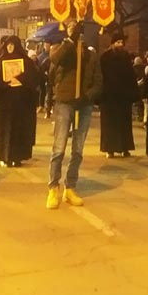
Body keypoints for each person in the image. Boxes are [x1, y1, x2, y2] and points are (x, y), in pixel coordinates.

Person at [46, 20, 102, 209]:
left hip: (83, 105)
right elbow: (55, 60)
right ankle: (53, 187)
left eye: (77, 30)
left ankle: (70, 187)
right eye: (71, 29)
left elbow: (98, 82)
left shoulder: (91, 55)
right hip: (64, 103)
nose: (76, 33)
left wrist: (87, 97)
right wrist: (70, 41)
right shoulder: (61, 48)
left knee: (77, 150)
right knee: (59, 148)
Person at [0, 36, 38, 167]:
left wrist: (21, 79)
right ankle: (4, 156)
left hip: (21, 103)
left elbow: (33, 79)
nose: (10, 47)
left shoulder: (26, 62)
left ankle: (18, 157)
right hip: (3, 103)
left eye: (13, 45)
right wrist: (4, 84)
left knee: (19, 130)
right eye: (8, 45)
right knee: (4, 130)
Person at [99, 32, 138, 158]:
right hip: (109, 97)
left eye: (122, 42)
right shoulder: (105, 57)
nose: (120, 45)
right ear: (112, 43)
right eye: (118, 42)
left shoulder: (126, 56)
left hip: (123, 97)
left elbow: (131, 76)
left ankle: (125, 148)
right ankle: (109, 149)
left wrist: (133, 93)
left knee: (124, 124)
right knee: (110, 125)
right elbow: (100, 76)